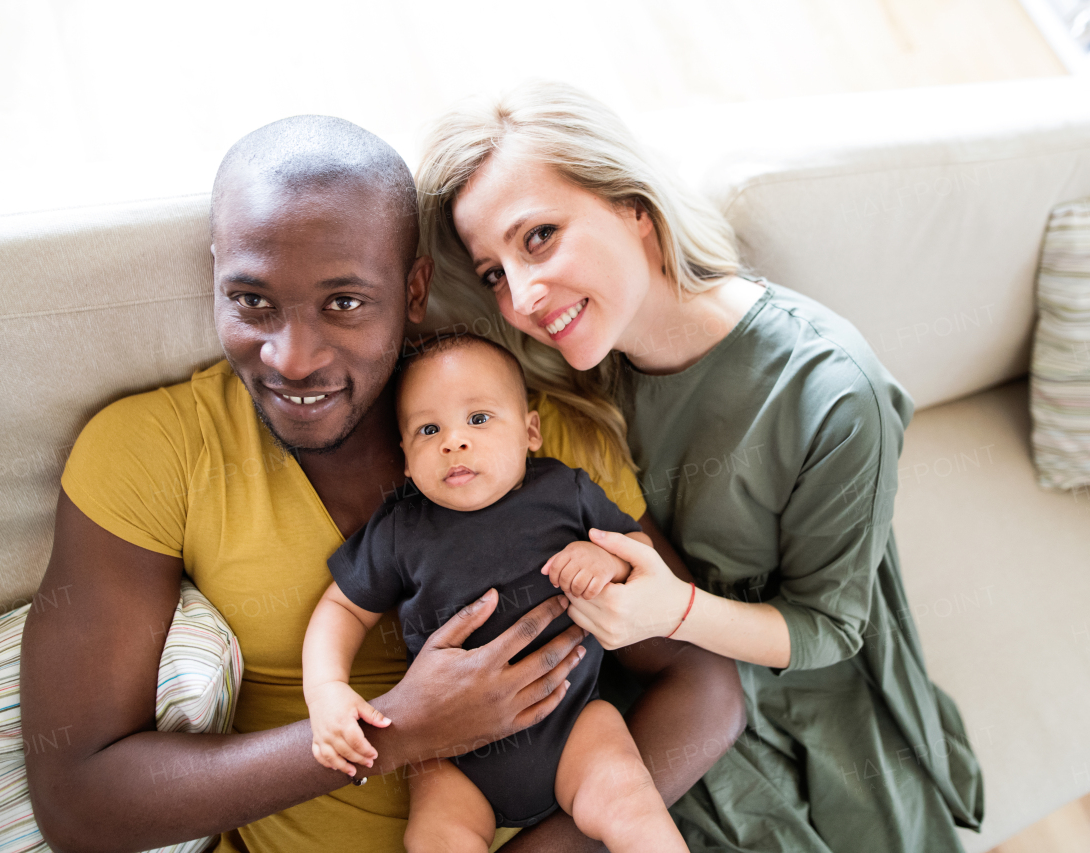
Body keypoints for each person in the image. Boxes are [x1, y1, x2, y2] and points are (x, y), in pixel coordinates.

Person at [19, 115, 745, 853]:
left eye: (344, 303)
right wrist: (399, 730)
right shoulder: (154, 451)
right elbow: (79, 801)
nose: (293, 357)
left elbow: (705, 682)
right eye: (250, 300)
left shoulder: (530, 433)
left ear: (416, 287)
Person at [416, 82, 986, 853]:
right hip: (638, 683)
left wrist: (674, 610)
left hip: (787, 676)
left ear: (634, 208)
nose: (521, 296)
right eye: (494, 272)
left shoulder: (832, 392)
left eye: (540, 236)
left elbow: (830, 629)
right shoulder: (554, 376)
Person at [304, 333, 688, 853]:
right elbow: (341, 608)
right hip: (451, 754)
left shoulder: (564, 492)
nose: (453, 441)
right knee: (436, 837)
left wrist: (609, 558)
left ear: (531, 431)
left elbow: (641, 550)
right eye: (428, 429)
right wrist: (327, 689)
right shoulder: (400, 530)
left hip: (572, 723)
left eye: (479, 419)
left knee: (630, 801)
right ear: (406, 459)